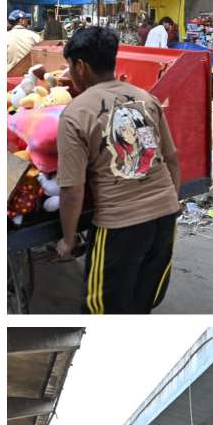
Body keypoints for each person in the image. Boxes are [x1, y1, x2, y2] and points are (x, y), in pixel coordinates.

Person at [54, 25, 181, 314]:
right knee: (143, 299)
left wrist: (68, 239)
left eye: (69, 67)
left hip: (120, 227)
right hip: (165, 218)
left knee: (104, 308)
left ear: (81, 66)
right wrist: (173, 203)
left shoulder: (75, 113)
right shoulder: (145, 98)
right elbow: (171, 159)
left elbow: (72, 190)